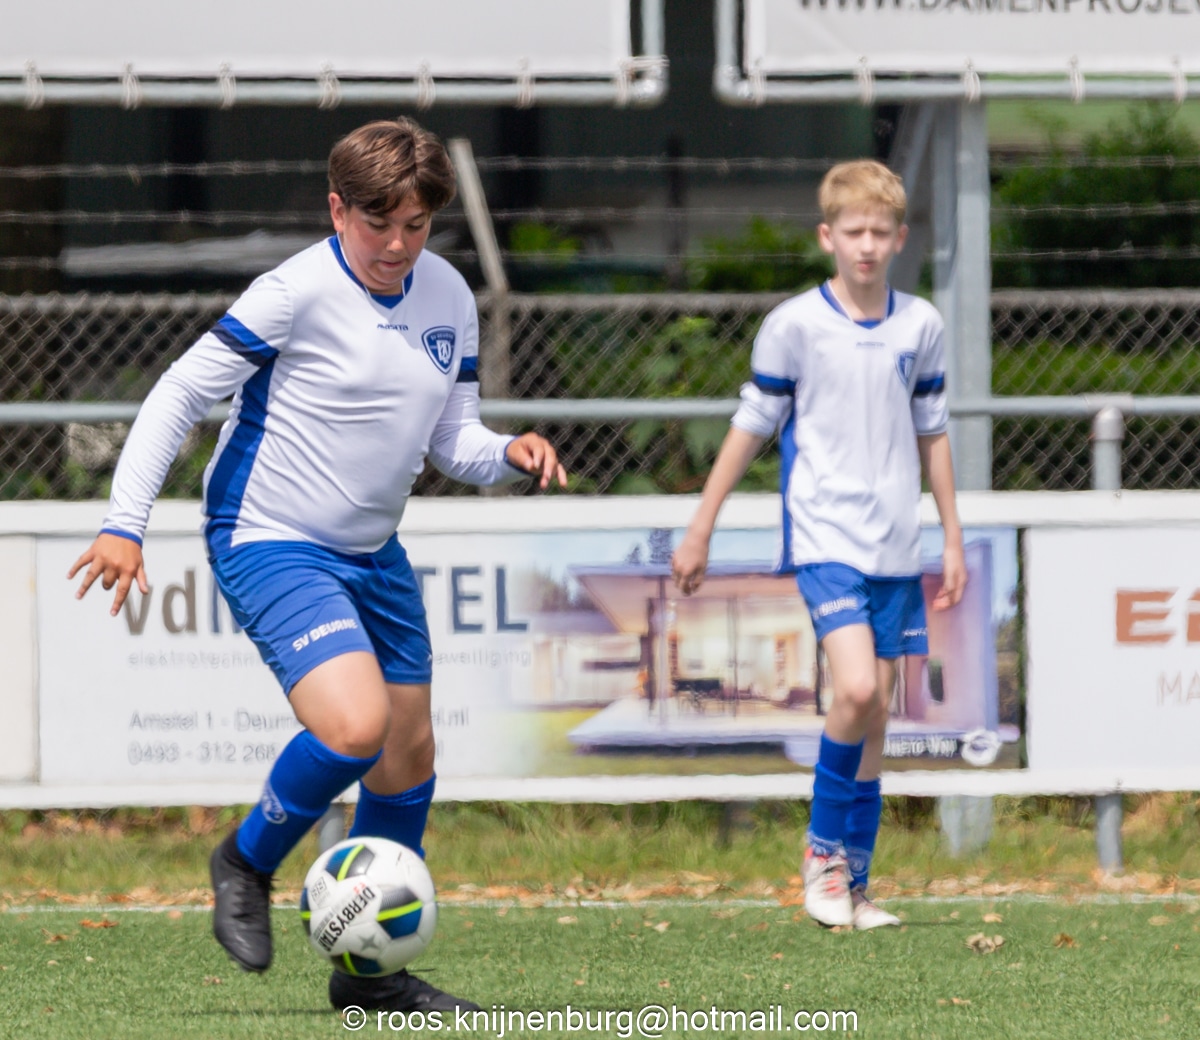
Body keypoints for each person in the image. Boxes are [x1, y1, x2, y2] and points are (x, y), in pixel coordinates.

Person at [69, 117, 566, 1012]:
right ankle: (244, 862)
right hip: (268, 537)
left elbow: (453, 441)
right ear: (337, 210)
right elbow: (179, 393)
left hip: (373, 552)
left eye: (416, 225)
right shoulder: (292, 292)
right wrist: (123, 524)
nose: (398, 245)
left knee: (407, 755)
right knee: (355, 726)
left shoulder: (449, 294)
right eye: (379, 223)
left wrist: (509, 455)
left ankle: (367, 975)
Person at [671, 160, 965, 930]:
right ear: (827, 236)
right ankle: (822, 856)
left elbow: (933, 433)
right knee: (857, 690)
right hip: (825, 535)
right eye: (853, 231)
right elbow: (752, 424)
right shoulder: (795, 325)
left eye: (880, 232)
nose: (867, 245)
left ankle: (855, 887)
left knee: (875, 720)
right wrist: (701, 526)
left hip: (896, 544)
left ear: (900, 238)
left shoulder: (921, 326)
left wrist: (952, 538)